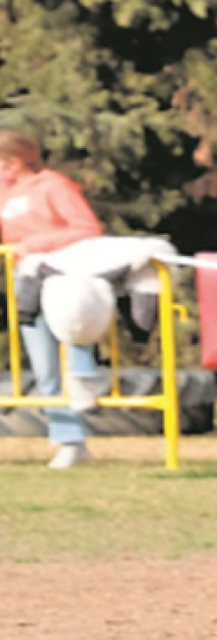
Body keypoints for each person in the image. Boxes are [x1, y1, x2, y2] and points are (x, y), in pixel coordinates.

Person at [0, 128, 104, 469]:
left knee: (74, 348)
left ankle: (85, 400)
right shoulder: (4, 191)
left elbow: (87, 229)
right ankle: (68, 439)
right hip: (24, 281)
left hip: (62, 279)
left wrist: (36, 244)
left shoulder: (53, 185)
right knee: (44, 367)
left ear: (14, 162)